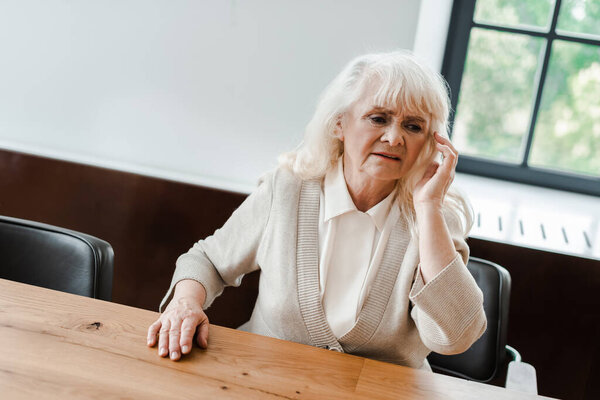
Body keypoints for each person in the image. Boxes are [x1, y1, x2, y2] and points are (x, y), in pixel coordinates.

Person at [147, 50, 486, 370]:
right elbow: (207, 260)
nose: (395, 138)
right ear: (339, 124)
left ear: (432, 141)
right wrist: (186, 302)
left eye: (414, 127)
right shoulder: (287, 190)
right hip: (263, 381)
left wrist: (428, 209)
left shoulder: (436, 217)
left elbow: (454, 338)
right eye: (378, 118)